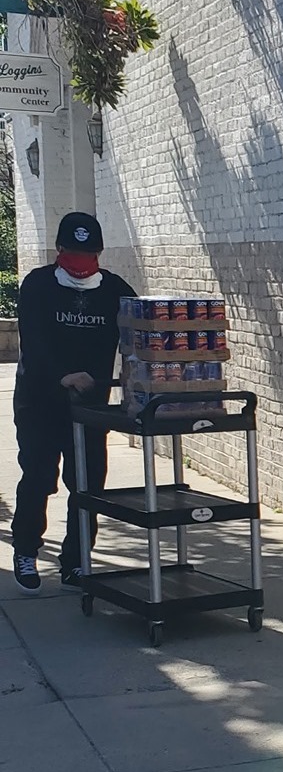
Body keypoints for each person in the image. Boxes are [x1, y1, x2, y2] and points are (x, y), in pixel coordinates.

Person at [11, 213, 136, 590]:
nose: (81, 262)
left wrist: (137, 372)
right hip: (40, 401)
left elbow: (139, 331)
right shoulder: (38, 286)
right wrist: (60, 376)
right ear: (59, 251)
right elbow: (32, 341)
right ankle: (26, 549)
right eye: (73, 253)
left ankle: (77, 560)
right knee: (38, 477)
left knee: (87, 485)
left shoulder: (114, 289)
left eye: (88, 254)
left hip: (89, 408)